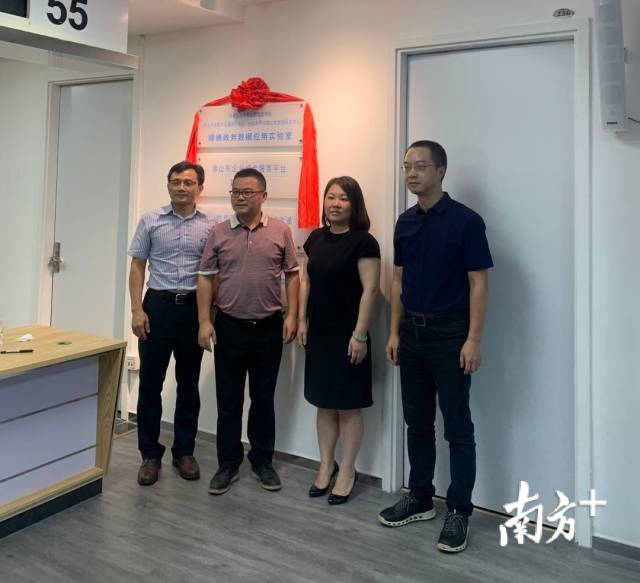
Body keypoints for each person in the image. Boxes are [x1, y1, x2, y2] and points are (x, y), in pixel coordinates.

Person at [379, 141, 493, 553]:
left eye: (420, 166)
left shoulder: (466, 221)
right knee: (417, 421)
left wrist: (473, 339)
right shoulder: (405, 222)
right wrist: (395, 332)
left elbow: (478, 283)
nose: (411, 173)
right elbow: (398, 279)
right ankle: (421, 497)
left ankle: (459, 510)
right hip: (411, 333)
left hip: (450, 335)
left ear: (441, 171)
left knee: (458, 428)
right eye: (407, 166)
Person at [197, 168, 299, 495]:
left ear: (263, 196)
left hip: (268, 327)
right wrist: (204, 321)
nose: (240, 197)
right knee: (228, 400)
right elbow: (205, 277)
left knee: (263, 398)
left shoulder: (280, 231)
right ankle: (228, 464)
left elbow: (293, 274)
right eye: (236, 191)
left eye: (247, 192)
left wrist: (293, 315)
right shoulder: (219, 232)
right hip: (229, 326)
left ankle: (262, 461)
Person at [128, 161, 214, 486]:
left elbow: (213, 274)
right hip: (157, 308)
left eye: (188, 182)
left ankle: (184, 452)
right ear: (168, 185)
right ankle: (150, 455)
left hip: (193, 310)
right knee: (150, 384)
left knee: (188, 385)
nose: (181, 187)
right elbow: (138, 266)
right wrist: (137, 310)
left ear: (199, 188)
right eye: (175, 181)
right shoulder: (150, 220)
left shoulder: (210, 226)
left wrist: (208, 317)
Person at [297, 177, 380, 505]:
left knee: (347, 405)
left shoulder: (364, 242)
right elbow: (306, 281)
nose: (335, 203)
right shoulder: (316, 238)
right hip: (319, 333)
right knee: (324, 402)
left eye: (343, 198)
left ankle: (347, 471)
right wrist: (302, 319)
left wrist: (360, 334)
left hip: (349, 336)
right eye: (330, 197)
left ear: (354, 204)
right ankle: (325, 466)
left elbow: (370, 290)